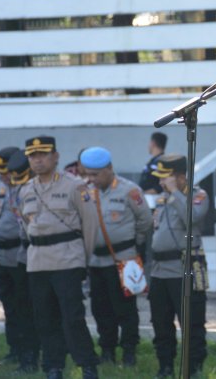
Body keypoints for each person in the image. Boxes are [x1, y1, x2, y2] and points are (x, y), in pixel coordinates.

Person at [19, 136, 100, 379]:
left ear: (55, 156)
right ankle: (53, 366)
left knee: (72, 317)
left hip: (67, 260)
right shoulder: (26, 189)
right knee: (45, 318)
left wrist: (80, 258)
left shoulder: (74, 186)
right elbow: (26, 226)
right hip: (37, 262)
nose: (37, 159)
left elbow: (90, 225)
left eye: (43, 154)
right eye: (32, 155)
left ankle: (87, 364)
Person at [80, 146, 152, 367]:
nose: (91, 179)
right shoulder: (84, 192)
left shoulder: (129, 190)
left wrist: (135, 244)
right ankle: (107, 351)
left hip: (124, 259)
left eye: (96, 174)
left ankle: (129, 352)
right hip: (96, 261)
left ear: (109, 168)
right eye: (88, 174)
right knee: (101, 309)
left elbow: (145, 221)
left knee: (126, 309)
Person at [148, 154, 209, 378]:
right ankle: (165, 366)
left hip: (185, 269)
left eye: (166, 178)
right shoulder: (162, 198)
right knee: (160, 323)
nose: (161, 183)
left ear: (181, 177)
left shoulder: (197, 195)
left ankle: (193, 368)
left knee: (191, 323)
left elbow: (192, 219)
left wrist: (175, 193)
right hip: (159, 271)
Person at [0, 147, 39, 372]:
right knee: (9, 306)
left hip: (21, 255)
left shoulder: (28, 188)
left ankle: (29, 353)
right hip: (2, 255)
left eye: (6, 171)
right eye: (0, 172)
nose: (3, 176)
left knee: (24, 307)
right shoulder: (3, 187)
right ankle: (14, 348)